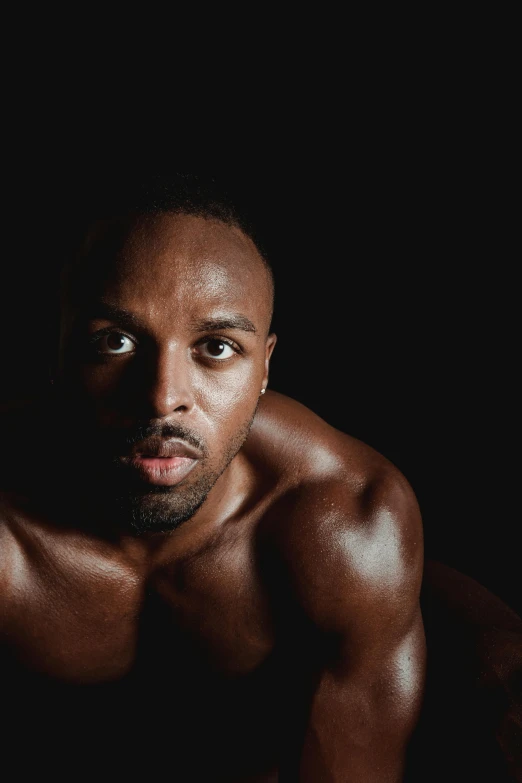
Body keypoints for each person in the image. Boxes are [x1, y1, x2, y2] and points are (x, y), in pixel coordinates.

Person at [0, 174, 476, 781]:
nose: (162, 398)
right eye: (114, 341)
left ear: (266, 368)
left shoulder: (345, 524)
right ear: (57, 355)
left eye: (217, 347)